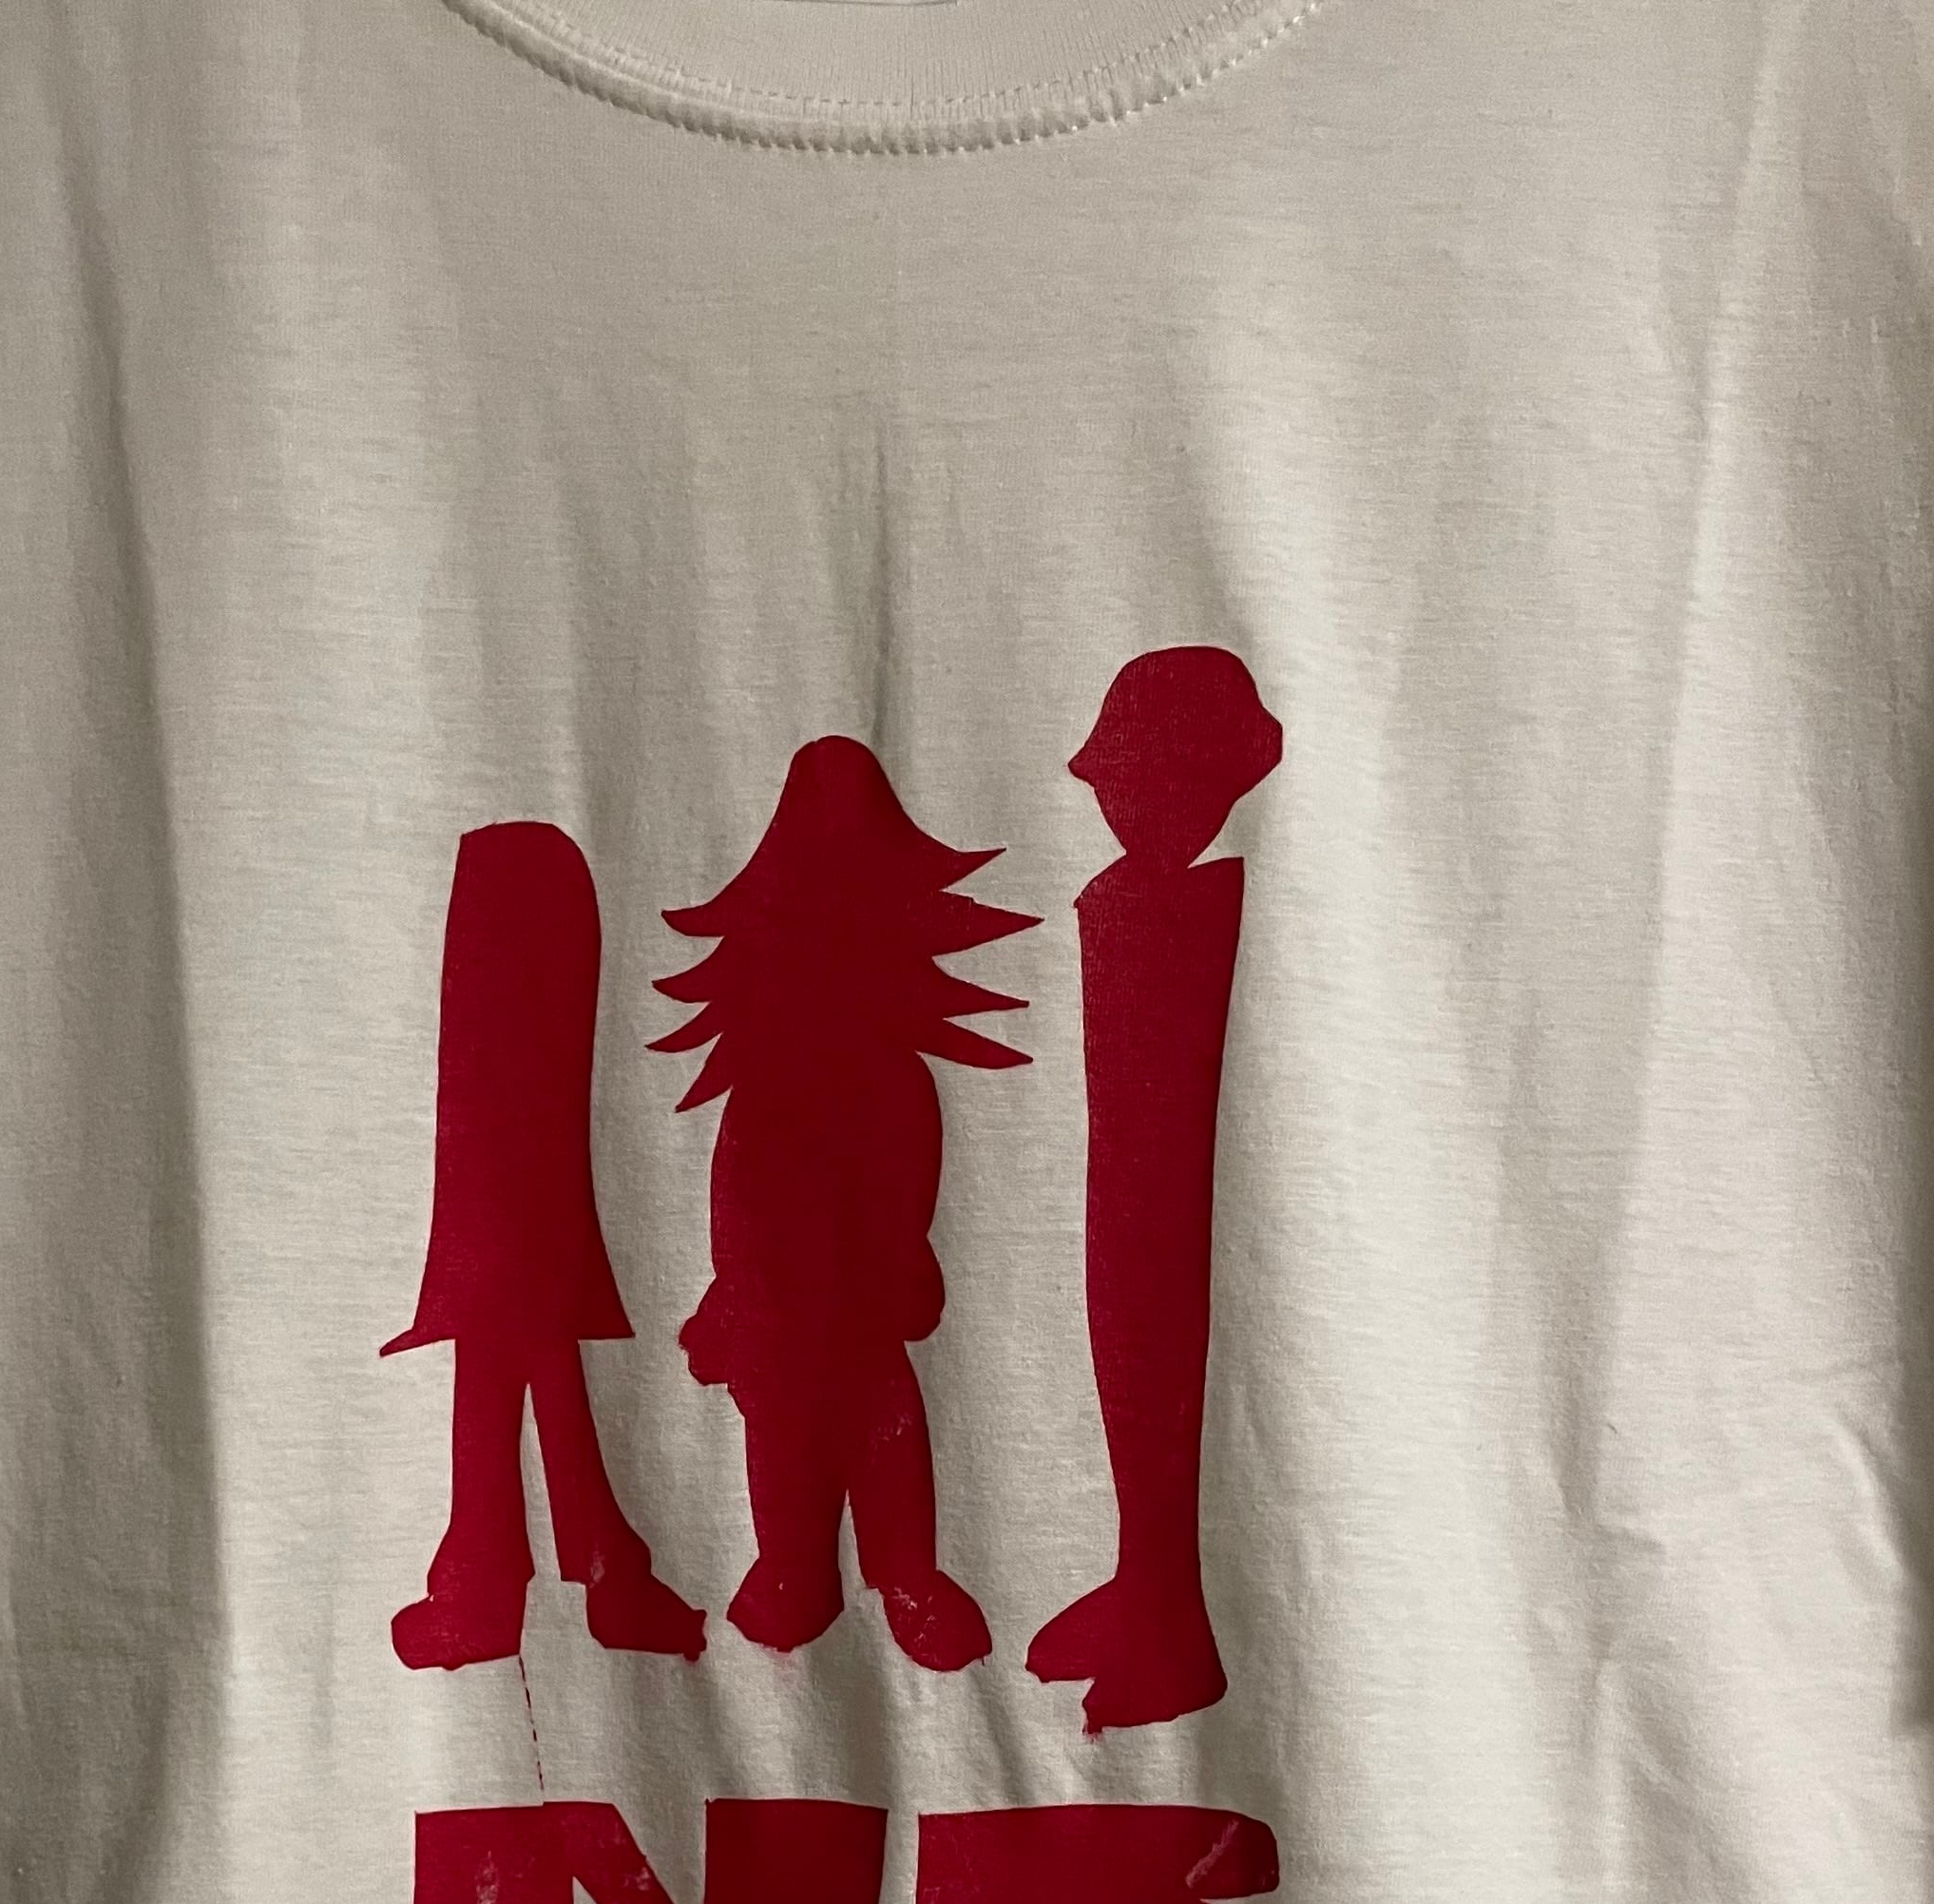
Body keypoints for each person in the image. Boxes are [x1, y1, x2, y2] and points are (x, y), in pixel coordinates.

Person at [655, 736, 1032, 1671]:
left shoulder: (894, 1085)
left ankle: (900, 1575)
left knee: (877, 1435)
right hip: (784, 1330)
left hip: (859, 1328)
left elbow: (903, 1200)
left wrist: (897, 1268)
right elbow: (736, 1211)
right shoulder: (769, 1098)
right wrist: (735, 1302)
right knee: (792, 1444)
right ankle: (800, 1569)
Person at [1028, 644, 1284, 1730]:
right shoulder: (1129, 899)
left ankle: (1173, 1617)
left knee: (1164, 1357)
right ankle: (1146, 1580)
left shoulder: (1211, 905)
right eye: (1115, 783)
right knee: (1126, 1348)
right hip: (1129, 1179)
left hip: (1182, 1191)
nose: (1122, 805)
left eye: (1142, 780)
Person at [384, 817, 703, 1668]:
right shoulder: (540, 890)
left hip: (514, 1217)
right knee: (518, 1310)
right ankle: (566, 1569)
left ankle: (507, 1576)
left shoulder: (531, 896)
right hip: (515, 1222)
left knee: (510, 1305)